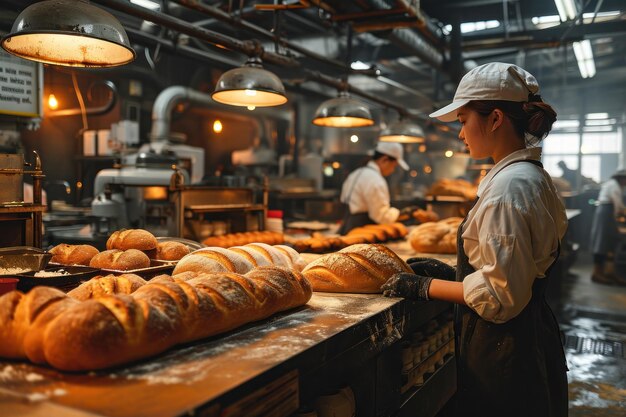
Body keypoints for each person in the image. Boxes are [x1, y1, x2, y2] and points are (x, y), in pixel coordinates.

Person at [381, 62, 568, 417]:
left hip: (506, 352)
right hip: (529, 339)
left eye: (464, 120)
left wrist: (425, 286)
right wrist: (455, 277)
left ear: (495, 118)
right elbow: (515, 269)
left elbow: (500, 298)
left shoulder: (508, 190)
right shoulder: (529, 176)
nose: (460, 133)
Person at [338, 141, 410, 234]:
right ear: (384, 160)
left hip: (347, 226)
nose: (393, 170)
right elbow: (381, 216)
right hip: (363, 229)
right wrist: (404, 213)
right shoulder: (375, 180)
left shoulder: (357, 172)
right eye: (394, 166)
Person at [589, 170, 626, 285]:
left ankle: (606, 272)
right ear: (621, 178)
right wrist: (621, 217)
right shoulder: (614, 186)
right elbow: (618, 205)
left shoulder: (612, 184)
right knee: (602, 243)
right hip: (606, 212)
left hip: (605, 212)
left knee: (607, 243)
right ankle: (597, 273)